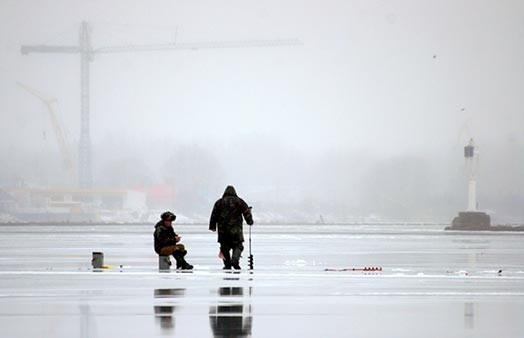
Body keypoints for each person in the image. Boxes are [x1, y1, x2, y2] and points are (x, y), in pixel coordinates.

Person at [209, 186, 253, 269]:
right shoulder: (239, 201)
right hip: (236, 230)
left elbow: (213, 215)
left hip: (223, 230)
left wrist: (212, 226)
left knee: (224, 247)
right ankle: (235, 260)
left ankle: (227, 265)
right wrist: (250, 221)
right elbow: (246, 212)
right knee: (238, 246)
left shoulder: (219, 202)